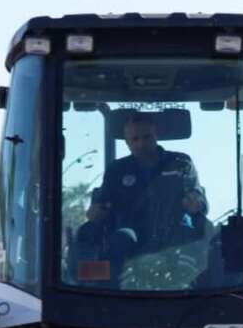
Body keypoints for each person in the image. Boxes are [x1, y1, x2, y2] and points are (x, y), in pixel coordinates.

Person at [74, 111, 208, 279]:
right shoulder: (117, 170)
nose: (141, 144)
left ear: (156, 135)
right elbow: (102, 203)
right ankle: (109, 288)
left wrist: (196, 203)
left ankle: (188, 284)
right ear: (127, 142)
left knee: (195, 233)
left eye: (147, 137)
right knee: (116, 238)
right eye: (135, 139)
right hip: (131, 234)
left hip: (173, 231)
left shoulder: (180, 162)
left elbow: (198, 198)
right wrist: (95, 212)